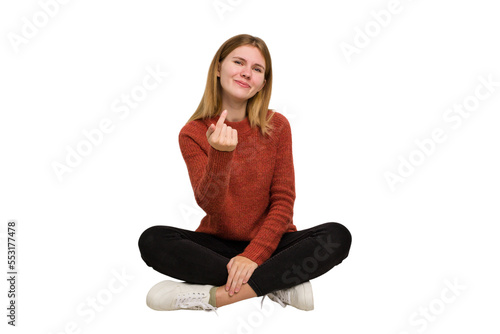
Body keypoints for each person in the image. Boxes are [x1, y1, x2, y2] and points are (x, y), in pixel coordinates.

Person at [138, 34, 352, 312]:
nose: (246, 73)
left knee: (337, 236)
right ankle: (280, 282)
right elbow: (210, 205)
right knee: (153, 240)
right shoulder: (192, 133)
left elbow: (284, 202)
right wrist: (220, 155)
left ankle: (212, 297)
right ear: (218, 68)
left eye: (257, 69)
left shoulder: (277, 126)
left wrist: (253, 255)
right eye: (238, 62)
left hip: (272, 244)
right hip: (217, 246)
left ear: (263, 82)